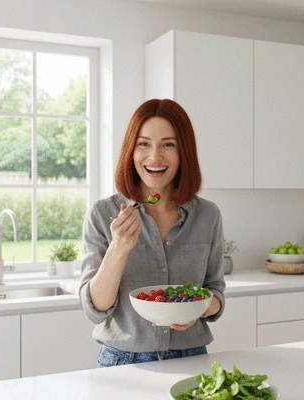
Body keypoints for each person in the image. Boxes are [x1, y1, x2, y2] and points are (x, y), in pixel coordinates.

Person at [79, 98, 226, 366]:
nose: (154, 157)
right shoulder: (102, 214)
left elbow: (215, 291)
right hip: (122, 361)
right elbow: (96, 309)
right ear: (130, 151)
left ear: (184, 152)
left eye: (168, 144)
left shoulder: (208, 215)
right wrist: (119, 248)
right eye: (143, 144)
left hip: (191, 358)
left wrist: (199, 306)